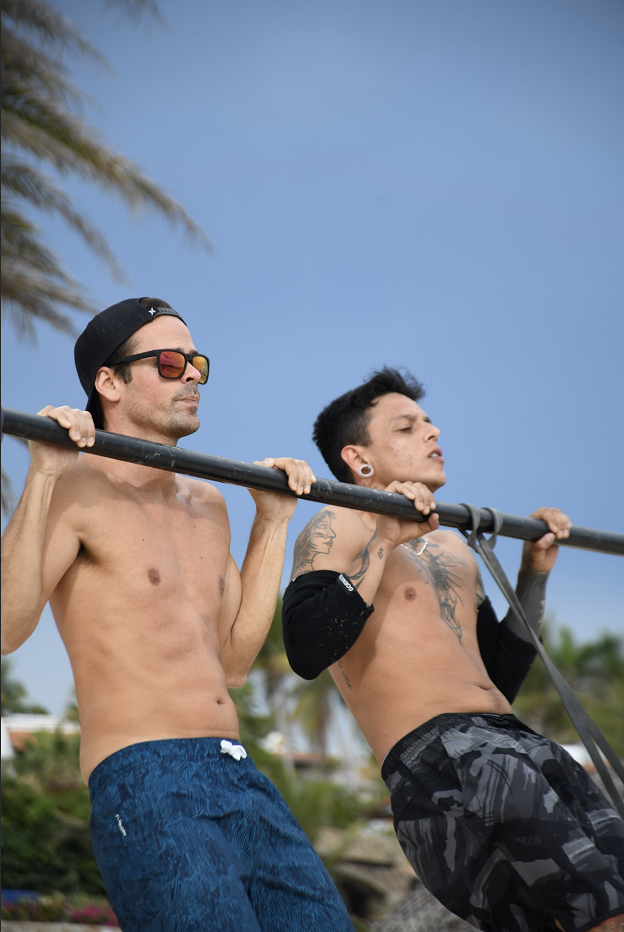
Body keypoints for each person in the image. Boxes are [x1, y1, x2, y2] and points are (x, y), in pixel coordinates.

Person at [1, 297, 355, 932]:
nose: (191, 374)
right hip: (146, 775)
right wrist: (44, 475)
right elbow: (5, 629)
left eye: (195, 362)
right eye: (168, 362)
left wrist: (272, 524)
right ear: (108, 383)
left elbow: (236, 664)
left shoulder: (208, 503)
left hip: (238, 768)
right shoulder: (75, 490)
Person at [282, 366, 624, 932]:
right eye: (408, 427)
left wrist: (533, 575)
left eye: (431, 422)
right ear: (358, 457)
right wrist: (384, 540)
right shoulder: (337, 522)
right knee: (599, 912)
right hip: (441, 756)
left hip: (517, 740)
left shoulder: (450, 545)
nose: (433, 433)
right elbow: (306, 647)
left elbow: (495, 676)